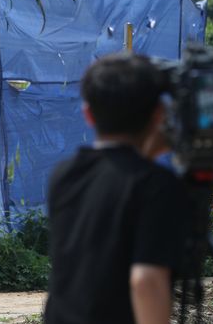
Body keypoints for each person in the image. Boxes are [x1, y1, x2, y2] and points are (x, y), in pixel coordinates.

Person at [45, 54, 190, 324]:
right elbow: (146, 281)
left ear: (88, 114)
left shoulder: (64, 176)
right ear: (158, 114)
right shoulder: (157, 185)